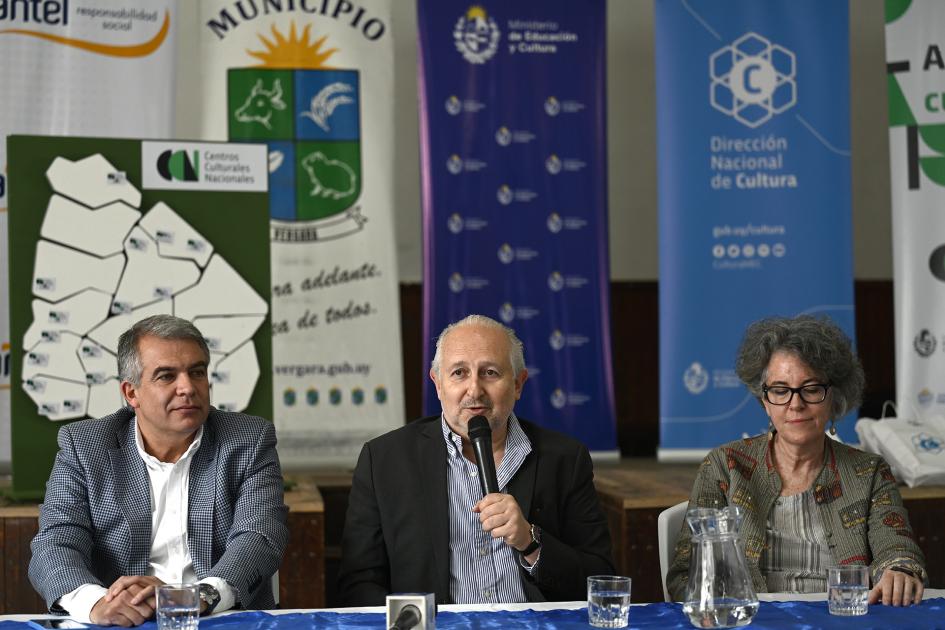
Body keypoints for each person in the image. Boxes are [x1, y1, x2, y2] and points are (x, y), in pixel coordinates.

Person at [29, 315, 289, 625]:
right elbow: (56, 542)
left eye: (197, 372)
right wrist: (97, 602)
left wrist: (192, 598)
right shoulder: (85, 447)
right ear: (131, 393)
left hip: (219, 618)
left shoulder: (248, 440)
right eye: (166, 376)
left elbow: (259, 536)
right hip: (123, 622)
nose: (187, 388)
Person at [338, 314, 614, 605]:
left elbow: (600, 579)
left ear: (519, 384)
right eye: (459, 373)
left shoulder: (565, 459)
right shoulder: (384, 460)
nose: (474, 390)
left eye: (491, 372)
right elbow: (358, 584)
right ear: (438, 383)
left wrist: (530, 541)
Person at [666, 315, 926, 605]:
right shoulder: (725, 467)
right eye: (780, 390)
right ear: (764, 401)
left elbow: (896, 546)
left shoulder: (869, 472)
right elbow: (685, 574)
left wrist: (898, 570)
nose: (795, 403)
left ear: (834, 397)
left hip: (841, 621)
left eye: (811, 389)